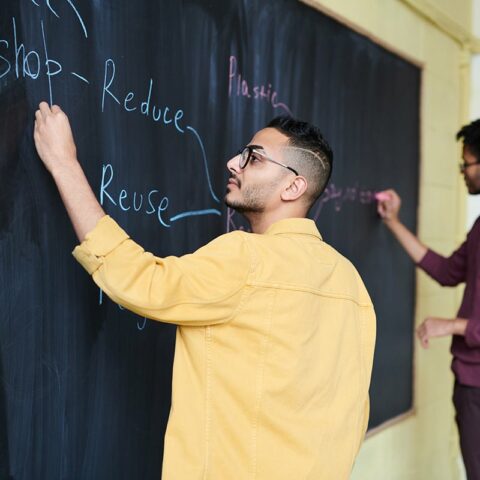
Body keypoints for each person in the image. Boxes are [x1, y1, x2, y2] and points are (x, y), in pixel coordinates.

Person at [33, 102, 376, 480]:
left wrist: (64, 164)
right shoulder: (352, 284)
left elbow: (140, 280)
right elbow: (354, 412)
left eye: (254, 158)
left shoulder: (247, 257)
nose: (233, 163)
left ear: (294, 186)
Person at [377, 119, 480, 480]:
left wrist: (451, 325)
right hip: (470, 382)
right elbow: (448, 271)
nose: (462, 172)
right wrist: (393, 222)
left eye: (466, 163)